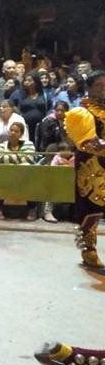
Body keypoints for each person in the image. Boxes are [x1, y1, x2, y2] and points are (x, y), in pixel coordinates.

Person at [64, 70, 105, 270]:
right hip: (92, 167)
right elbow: (88, 144)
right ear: (89, 88)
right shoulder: (81, 112)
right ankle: (88, 250)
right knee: (91, 209)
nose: (104, 89)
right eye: (99, 85)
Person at [0, 122, 37, 220]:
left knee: (30, 173)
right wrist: (19, 158)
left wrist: (9, 159)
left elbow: (29, 159)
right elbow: (0, 158)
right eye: (11, 130)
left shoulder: (29, 144)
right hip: (6, 175)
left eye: (16, 131)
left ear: (21, 134)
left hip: (24, 176)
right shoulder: (2, 145)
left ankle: (32, 208)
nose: (13, 133)